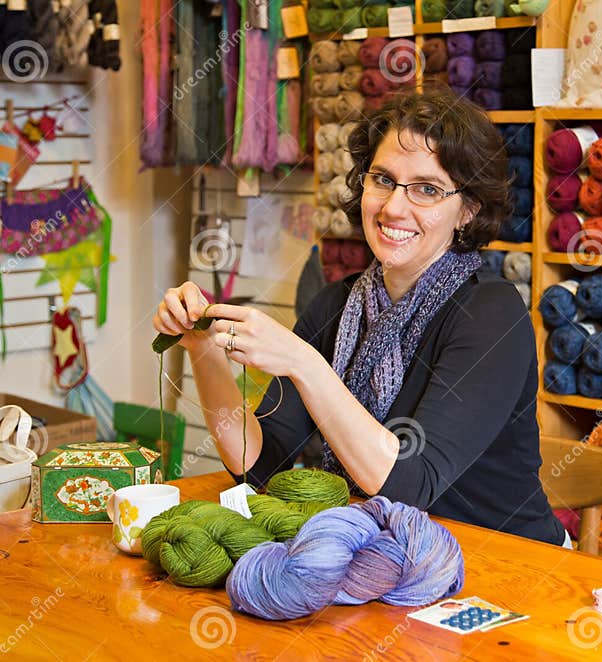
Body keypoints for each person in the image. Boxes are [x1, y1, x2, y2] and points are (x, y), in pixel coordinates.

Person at [153, 90, 567, 547]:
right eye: (383, 180)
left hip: (508, 566)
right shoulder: (337, 305)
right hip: (392, 557)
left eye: (427, 190)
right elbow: (257, 462)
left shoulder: (491, 314)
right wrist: (203, 350)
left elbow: (411, 485)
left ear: (467, 211)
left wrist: (303, 363)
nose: (393, 208)